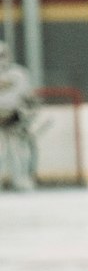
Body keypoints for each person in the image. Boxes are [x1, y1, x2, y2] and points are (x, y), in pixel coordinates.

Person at [0, 40, 37, 192]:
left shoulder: (19, 74)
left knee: (18, 150)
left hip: (15, 118)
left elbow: (28, 98)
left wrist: (26, 116)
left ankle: (21, 179)